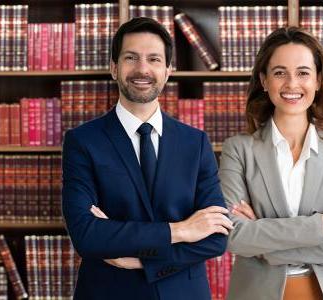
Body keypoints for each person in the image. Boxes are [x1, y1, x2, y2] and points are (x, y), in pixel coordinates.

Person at [62, 17, 232, 300]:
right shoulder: (83, 142)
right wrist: (180, 230)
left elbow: (216, 238)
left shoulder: (195, 143)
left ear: (167, 71)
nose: (142, 69)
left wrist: (141, 259)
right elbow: (87, 235)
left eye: (153, 59)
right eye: (131, 58)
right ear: (114, 68)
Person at [219, 27, 323, 300]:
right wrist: (317, 226)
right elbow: (232, 237)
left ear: (318, 80)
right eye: (279, 73)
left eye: (303, 72)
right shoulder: (238, 150)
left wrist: (262, 242)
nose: (291, 84)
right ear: (264, 81)